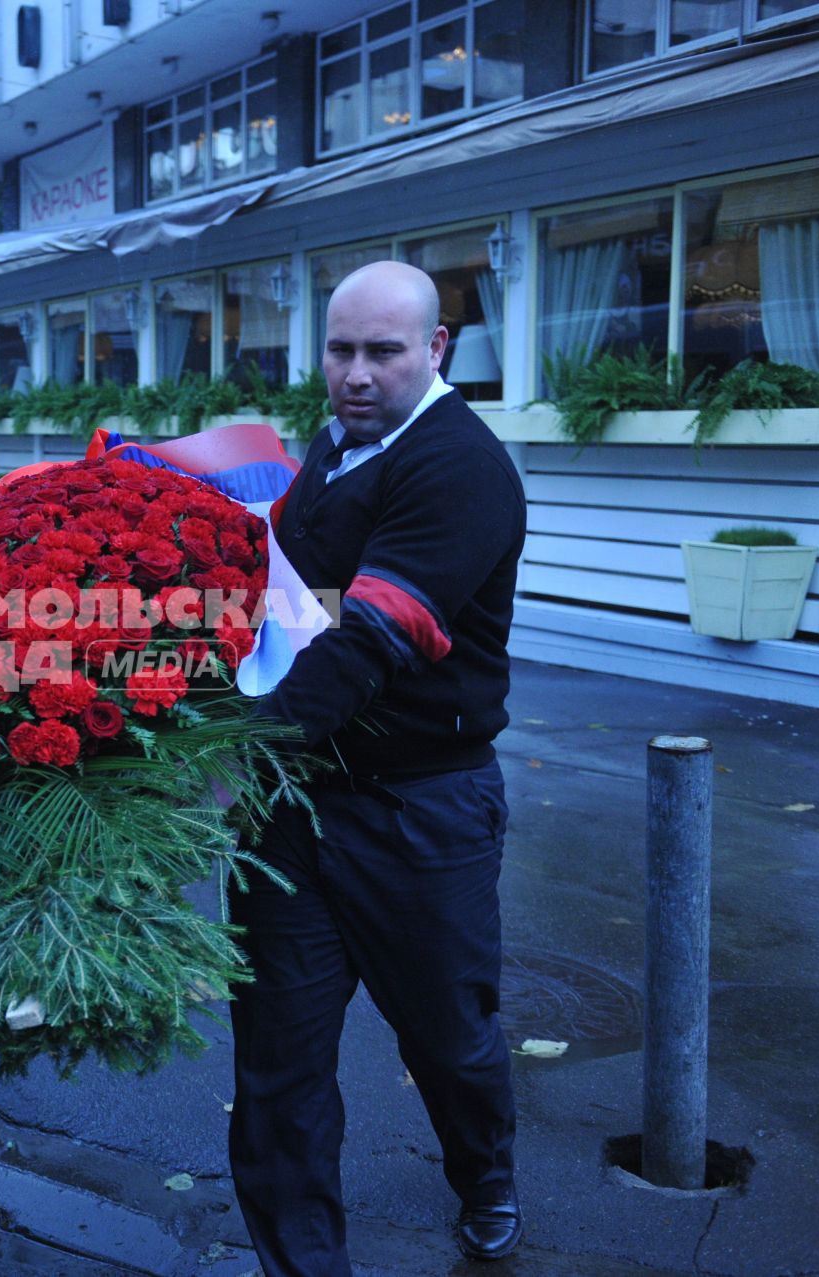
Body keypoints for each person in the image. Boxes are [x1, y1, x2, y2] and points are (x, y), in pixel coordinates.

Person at [231, 261, 528, 1275]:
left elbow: (366, 641)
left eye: (383, 352)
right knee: (278, 1062)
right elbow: (279, 590)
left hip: (420, 810)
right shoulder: (334, 444)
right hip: (296, 805)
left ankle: (484, 1170)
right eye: (340, 349)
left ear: (435, 350)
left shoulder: (461, 468)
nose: (355, 374)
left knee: (449, 1039)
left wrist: (224, 760)